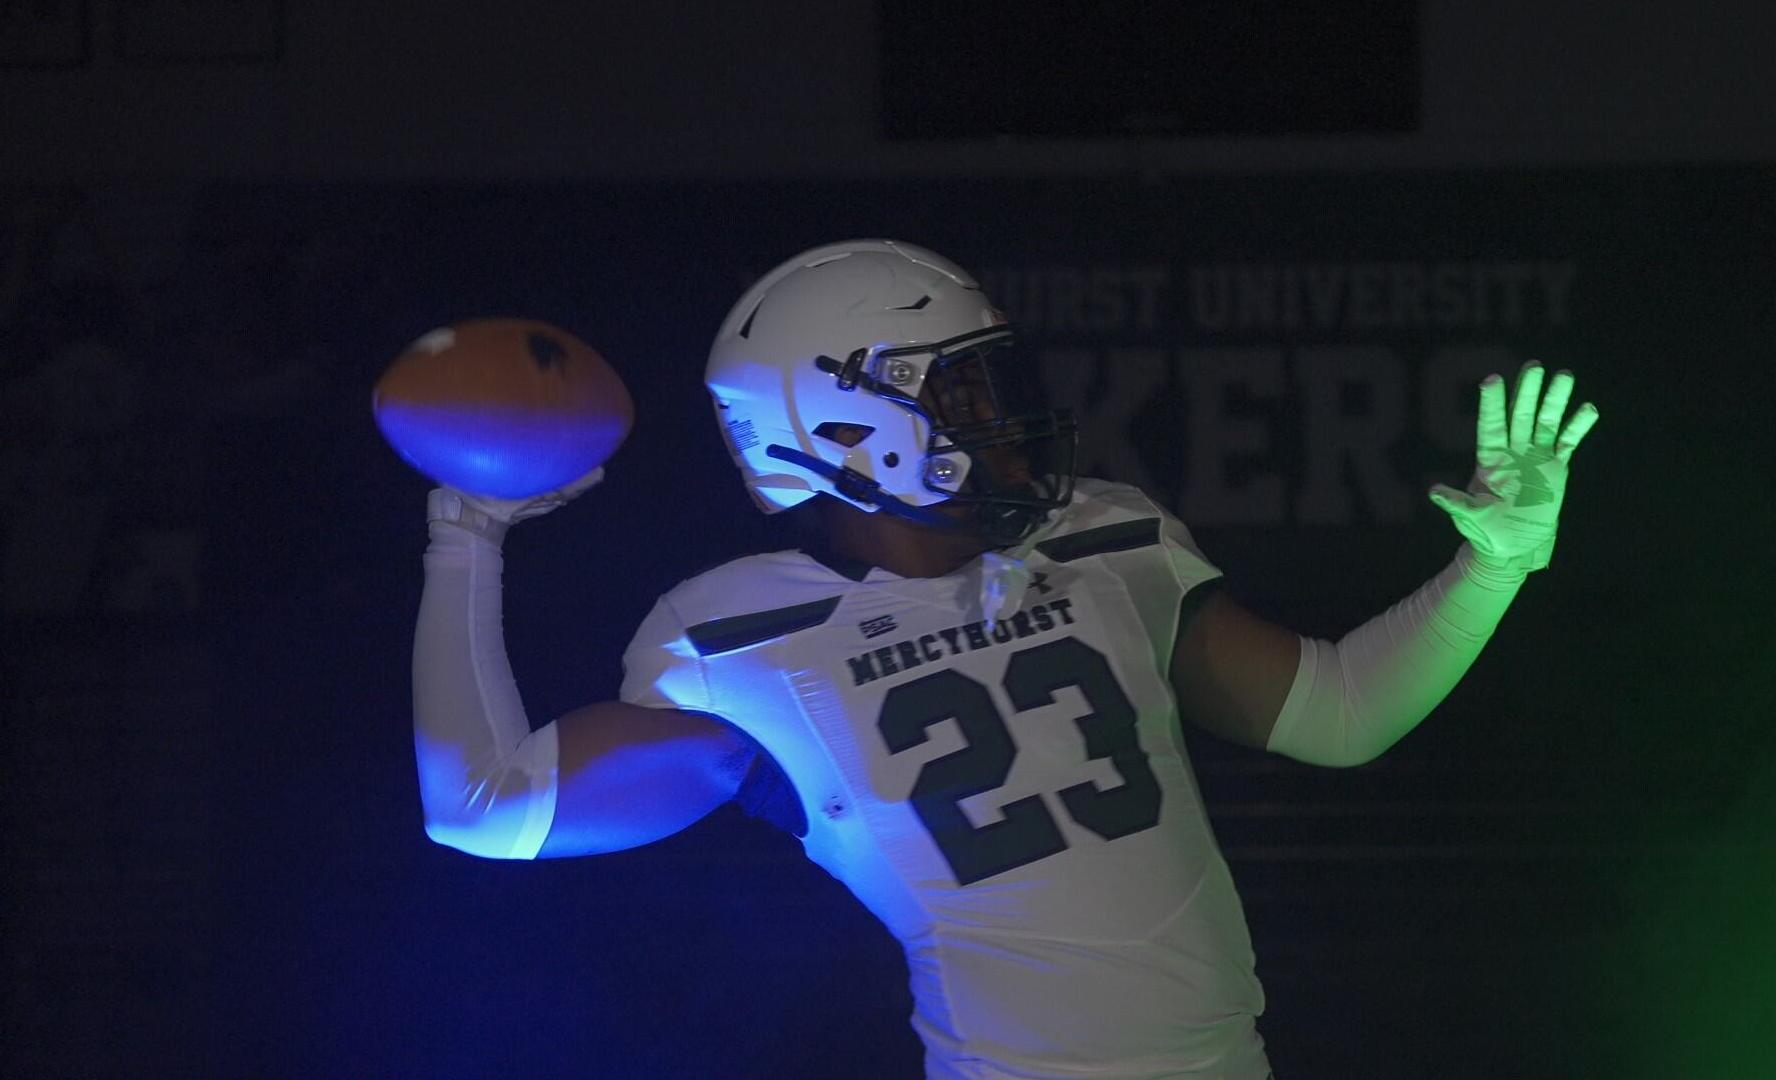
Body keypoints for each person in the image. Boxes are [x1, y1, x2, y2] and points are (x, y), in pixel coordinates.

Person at [409, 239, 1599, 1079]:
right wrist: (467, 534)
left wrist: (1495, 566)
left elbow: (1337, 713)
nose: (998, 414)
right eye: (960, 389)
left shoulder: (1105, 534)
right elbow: (480, 805)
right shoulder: (740, 640)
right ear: (840, 427)